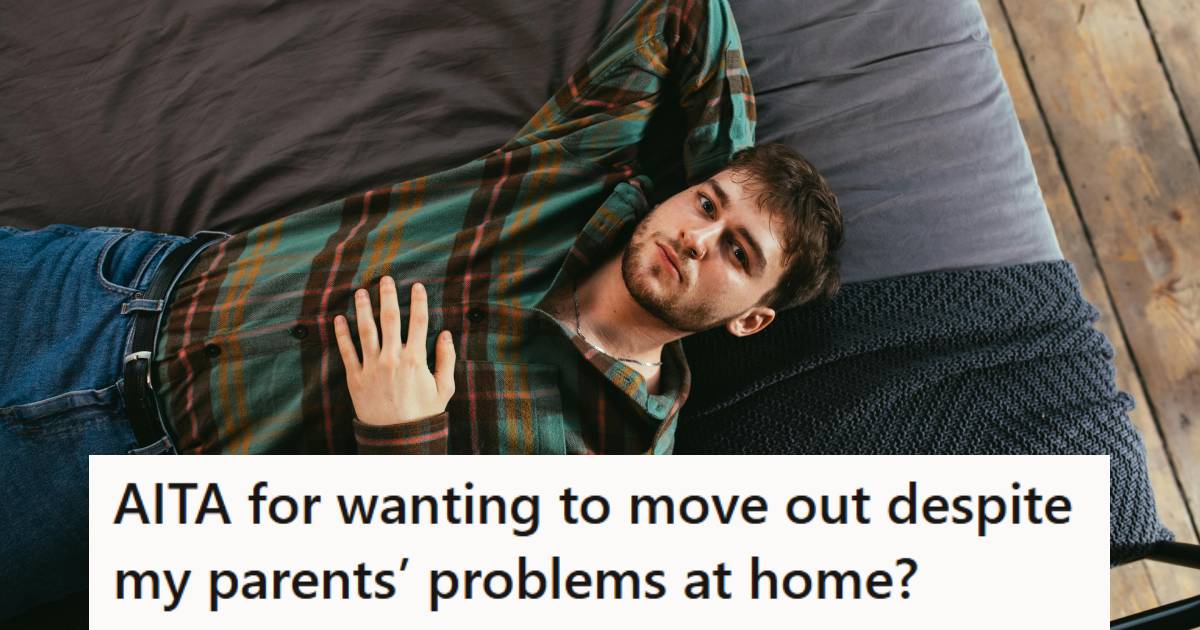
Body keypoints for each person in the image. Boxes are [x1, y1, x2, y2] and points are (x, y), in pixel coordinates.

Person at [0, 0, 840, 617]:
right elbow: (685, 19)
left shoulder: (617, 475)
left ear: (751, 319)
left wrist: (403, 451)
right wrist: (739, 173)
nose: (699, 239)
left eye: (738, 254)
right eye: (706, 206)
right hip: (108, 289)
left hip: (107, 494)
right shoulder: (575, 179)